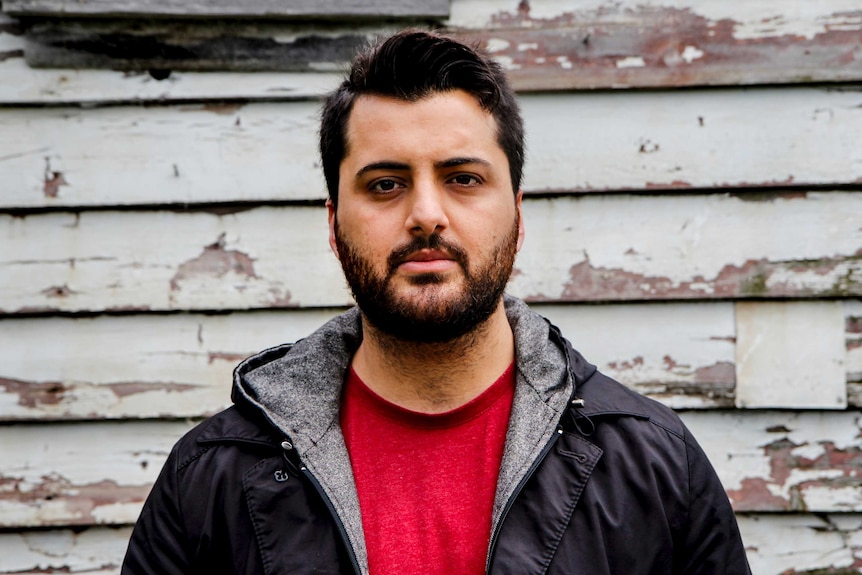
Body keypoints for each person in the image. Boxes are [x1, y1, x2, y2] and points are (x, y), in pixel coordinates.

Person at [122, 30, 751, 575]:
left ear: (517, 215)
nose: (426, 215)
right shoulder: (210, 480)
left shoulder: (653, 466)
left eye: (463, 179)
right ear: (335, 222)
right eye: (386, 184)